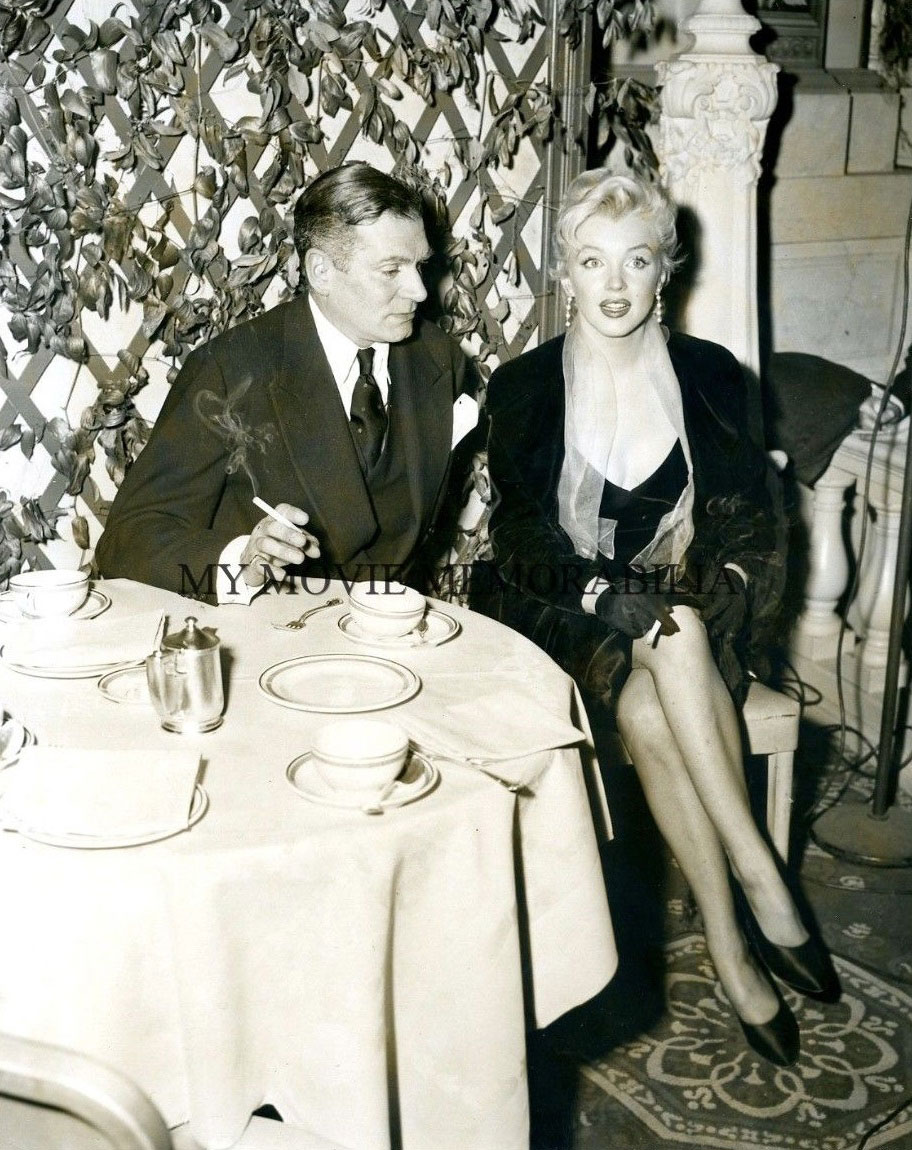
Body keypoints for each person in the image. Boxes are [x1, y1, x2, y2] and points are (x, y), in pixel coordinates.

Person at [473, 168, 838, 1066]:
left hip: (697, 605)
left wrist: (719, 587)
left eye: (635, 260)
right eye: (592, 260)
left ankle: (729, 940)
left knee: (658, 683)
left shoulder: (710, 375)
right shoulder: (523, 387)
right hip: (570, 612)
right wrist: (600, 593)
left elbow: (750, 515)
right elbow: (519, 537)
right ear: (566, 270)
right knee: (667, 641)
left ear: (662, 270)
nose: (614, 284)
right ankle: (761, 874)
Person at [95, 162, 476, 600]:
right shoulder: (230, 370)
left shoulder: (439, 360)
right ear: (321, 271)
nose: (420, 291)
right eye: (391, 270)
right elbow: (128, 539)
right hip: (266, 629)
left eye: (420, 265)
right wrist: (238, 564)